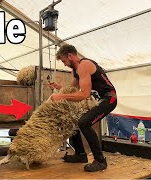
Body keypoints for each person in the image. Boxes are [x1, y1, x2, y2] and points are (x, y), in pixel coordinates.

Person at [49, 44, 117, 172]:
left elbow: (84, 94)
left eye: (64, 61)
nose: (64, 64)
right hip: (98, 100)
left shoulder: (84, 65)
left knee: (84, 123)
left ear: (70, 55)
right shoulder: (75, 69)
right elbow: (72, 90)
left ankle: (100, 161)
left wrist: (60, 96)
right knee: (73, 120)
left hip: (109, 99)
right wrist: (58, 88)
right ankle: (80, 154)